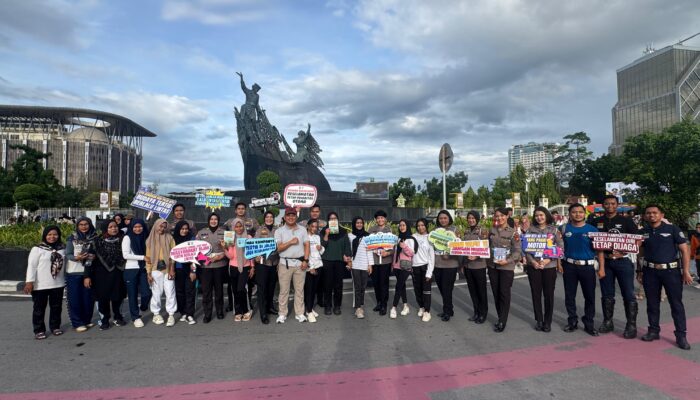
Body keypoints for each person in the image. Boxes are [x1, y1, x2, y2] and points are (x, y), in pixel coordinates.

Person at [637, 204, 693, 350]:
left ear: (661, 215)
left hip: (671, 272)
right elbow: (640, 252)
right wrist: (639, 271)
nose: (651, 215)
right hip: (650, 272)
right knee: (652, 303)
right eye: (648, 213)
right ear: (644, 216)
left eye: (655, 213)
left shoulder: (672, 229)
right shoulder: (643, 232)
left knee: (676, 304)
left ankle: (681, 335)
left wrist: (686, 271)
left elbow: (684, 250)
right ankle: (653, 330)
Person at [594, 195, 639, 338]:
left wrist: (624, 251)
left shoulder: (626, 221)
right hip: (605, 261)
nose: (609, 206)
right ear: (603, 205)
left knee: (628, 293)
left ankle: (631, 325)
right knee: (607, 294)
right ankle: (608, 321)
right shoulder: (596, 221)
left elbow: (638, 240)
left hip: (623, 262)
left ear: (617, 205)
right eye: (607, 204)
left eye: (613, 204)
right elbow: (592, 240)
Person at [561, 203, 603, 336]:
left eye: (580, 212)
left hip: (587, 267)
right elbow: (558, 248)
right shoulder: (563, 229)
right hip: (569, 266)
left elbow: (600, 251)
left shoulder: (593, 230)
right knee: (569, 295)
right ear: (569, 214)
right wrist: (558, 263)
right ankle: (572, 321)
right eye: (574, 212)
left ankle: (589, 322)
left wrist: (601, 268)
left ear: (584, 213)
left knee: (589, 296)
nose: (577, 214)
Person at [523, 206, 563, 332]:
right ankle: (539, 320)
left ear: (546, 215)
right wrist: (532, 261)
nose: (539, 217)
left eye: (541, 215)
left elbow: (560, 246)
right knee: (536, 294)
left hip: (549, 266)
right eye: (536, 215)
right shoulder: (530, 230)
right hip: (534, 266)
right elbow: (526, 248)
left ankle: (547, 321)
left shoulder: (554, 230)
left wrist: (548, 259)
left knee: (548, 295)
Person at [24, 226, 66, 339]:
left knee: (56, 307)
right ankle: (39, 330)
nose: (52, 237)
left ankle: (55, 327)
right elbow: (31, 266)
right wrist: (29, 282)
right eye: (49, 235)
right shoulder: (37, 249)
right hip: (40, 284)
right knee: (39, 308)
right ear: (45, 235)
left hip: (58, 283)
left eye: (55, 234)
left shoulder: (62, 248)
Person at [85, 220, 126, 330]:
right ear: (105, 229)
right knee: (103, 299)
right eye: (110, 227)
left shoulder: (123, 239)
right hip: (101, 276)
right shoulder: (96, 241)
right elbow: (89, 260)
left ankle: (118, 317)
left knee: (118, 297)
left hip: (118, 273)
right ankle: (105, 319)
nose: (114, 229)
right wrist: (87, 276)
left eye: (115, 226)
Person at [488, 207, 522, 333]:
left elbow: (517, 251)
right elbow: (487, 247)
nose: (499, 218)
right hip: (493, 266)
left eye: (502, 216)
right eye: (497, 216)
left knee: (504, 293)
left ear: (507, 216)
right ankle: (499, 316)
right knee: (496, 293)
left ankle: (503, 320)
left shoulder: (513, 233)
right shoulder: (491, 231)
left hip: (506, 267)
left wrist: (507, 261)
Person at [274, 207, 310, 323]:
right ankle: (282, 313)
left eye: (293, 215)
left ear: (296, 216)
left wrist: (306, 260)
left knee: (299, 290)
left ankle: (299, 313)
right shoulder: (279, 231)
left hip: (299, 263)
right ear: (284, 217)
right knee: (284, 290)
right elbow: (278, 248)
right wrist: (290, 242)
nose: (291, 217)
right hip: (285, 263)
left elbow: (306, 245)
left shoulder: (302, 229)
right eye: (288, 215)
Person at [65, 217, 97, 332]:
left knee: (88, 298)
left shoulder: (95, 238)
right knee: (75, 299)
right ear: (77, 226)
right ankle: (77, 323)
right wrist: (76, 258)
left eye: (86, 224)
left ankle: (86, 320)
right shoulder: (72, 238)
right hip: (74, 273)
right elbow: (68, 254)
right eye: (81, 225)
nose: (84, 227)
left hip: (89, 272)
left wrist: (95, 256)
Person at [196, 213, 228, 323]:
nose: (213, 221)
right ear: (208, 220)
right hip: (206, 266)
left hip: (220, 265)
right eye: (211, 219)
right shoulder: (201, 233)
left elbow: (229, 249)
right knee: (206, 292)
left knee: (219, 290)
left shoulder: (224, 233)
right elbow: (196, 250)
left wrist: (220, 257)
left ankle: (219, 311)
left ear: (218, 221)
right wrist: (207, 259)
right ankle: (207, 314)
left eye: (215, 219)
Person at [145, 219, 177, 326]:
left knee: (170, 291)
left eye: (164, 227)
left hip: (168, 270)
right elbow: (148, 258)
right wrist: (149, 273)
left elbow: (173, 254)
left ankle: (171, 314)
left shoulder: (169, 238)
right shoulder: (150, 239)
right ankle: (156, 314)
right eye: (160, 226)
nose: (162, 229)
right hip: (155, 270)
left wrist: (172, 269)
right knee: (156, 293)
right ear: (155, 226)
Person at [121, 218, 152, 328]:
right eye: (135, 227)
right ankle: (136, 317)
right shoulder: (127, 237)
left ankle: (143, 307)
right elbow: (125, 255)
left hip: (143, 269)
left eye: (140, 226)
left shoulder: (146, 237)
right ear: (131, 227)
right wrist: (142, 257)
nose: (138, 229)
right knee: (132, 294)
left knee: (147, 293)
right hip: (131, 269)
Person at [320, 212, 352, 315]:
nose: (333, 220)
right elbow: (322, 245)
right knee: (327, 285)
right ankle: (328, 306)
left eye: (334, 218)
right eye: (330, 219)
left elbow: (347, 245)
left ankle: (337, 306)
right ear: (328, 220)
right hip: (327, 260)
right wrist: (326, 234)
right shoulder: (324, 231)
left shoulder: (343, 231)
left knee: (338, 285)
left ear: (337, 220)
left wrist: (347, 256)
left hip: (339, 261)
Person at [224, 218, 254, 322]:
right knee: (235, 290)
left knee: (241, 289)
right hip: (233, 267)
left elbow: (251, 254)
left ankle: (246, 310)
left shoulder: (248, 237)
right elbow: (230, 256)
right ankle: (237, 311)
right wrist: (224, 248)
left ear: (243, 226)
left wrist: (252, 267)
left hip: (245, 267)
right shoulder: (230, 238)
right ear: (233, 227)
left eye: (240, 226)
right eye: (236, 226)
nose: (239, 228)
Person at [433, 210, 460, 322]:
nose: (443, 220)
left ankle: (447, 311)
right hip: (438, 264)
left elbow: (459, 247)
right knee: (441, 288)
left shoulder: (455, 230)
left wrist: (449, 254)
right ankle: (450, 308)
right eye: (441, 218)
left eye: (445, 218)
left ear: (449, 218)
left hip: (450, 264)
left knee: (447, 288)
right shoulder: (435, 231)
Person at [254, 211, 280, 324]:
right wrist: (255, 256)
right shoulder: (259, 230)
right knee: (262, 289)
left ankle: (270, 307)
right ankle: (263, 313)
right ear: (264, 219)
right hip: (262, 263)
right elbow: (254, 245)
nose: (269, 218)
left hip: (274, 263)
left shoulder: (278, 230)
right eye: (267, 217)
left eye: (271, 217)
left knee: (271, 287)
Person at [463, 211, 488, 324]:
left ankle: (483, 313)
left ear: (477, 219)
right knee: (472, 291)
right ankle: (476, 312)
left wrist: (476, 255)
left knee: (481, 291)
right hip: (468, 266)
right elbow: (462, 248)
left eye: (473, 218)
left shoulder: (483, 230)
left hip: (479, 266)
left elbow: (486, 247)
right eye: (469, 218)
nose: (471, 220)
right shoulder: (466, 231)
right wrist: (463, 264)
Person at [368, 210, 393, 315]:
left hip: (385, 261)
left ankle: (384, 304)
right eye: (378, 218)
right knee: (376, 283)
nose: (380, 220)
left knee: (384, 283)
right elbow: (368, 246)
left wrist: (386, 254)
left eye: (382, 218)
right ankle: (378, 302)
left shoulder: (389, 230)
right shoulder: (371, 230)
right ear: (375, 219)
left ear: (385, 219)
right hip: (374, 261)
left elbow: (393, 247)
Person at [172, 221, 198, 325]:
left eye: (186, 229)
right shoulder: (173, 240)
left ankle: (190, 314)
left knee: (190, 292)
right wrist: (172, 269)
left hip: (189, 270)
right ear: (178, 229)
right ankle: (183, 312)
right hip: (178, 269)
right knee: (180, 292)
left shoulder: (192, 239)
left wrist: (193, 271)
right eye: (182, 229)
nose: (184, 231)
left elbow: (196, 256)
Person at [390, 219, 415, 319]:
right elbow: (395, 252)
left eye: (404, 225)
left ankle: (394, 307)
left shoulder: (410, 239)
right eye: (400, 225)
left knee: (398, 286)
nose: (401, 227)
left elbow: (411, 253)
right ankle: (405, 306)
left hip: (406, 266)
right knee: (402, 286)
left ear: (407, 226)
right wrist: (393, 265)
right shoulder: (397, 238)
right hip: (396, 266)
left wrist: (404, 246)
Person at [348, 217, 372, 319]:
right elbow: (348, 250)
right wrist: (349, 262)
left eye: (361, 223)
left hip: (365, 264)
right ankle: (358, 308)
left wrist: (370, 264)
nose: (359, 225)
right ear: (354, 224)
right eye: (357, 223)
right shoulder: (350, 236)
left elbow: (369, 251)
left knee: (363, 287)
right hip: (355, 265)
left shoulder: (367, 236)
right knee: (357, 287)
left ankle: (360, 305)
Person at [305, 219, 324, 322]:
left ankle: (310, 308)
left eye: (316, 227)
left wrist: (321, 248)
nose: (314, 229)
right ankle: (308, 311)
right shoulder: (305, 237)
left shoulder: (317, 237)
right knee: (309, 290)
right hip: (310, 267)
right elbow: (305, 253)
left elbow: (321, 252)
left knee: (314, 290)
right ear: (308, 226)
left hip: (319, 265)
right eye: (312, 226)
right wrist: (310, 267)